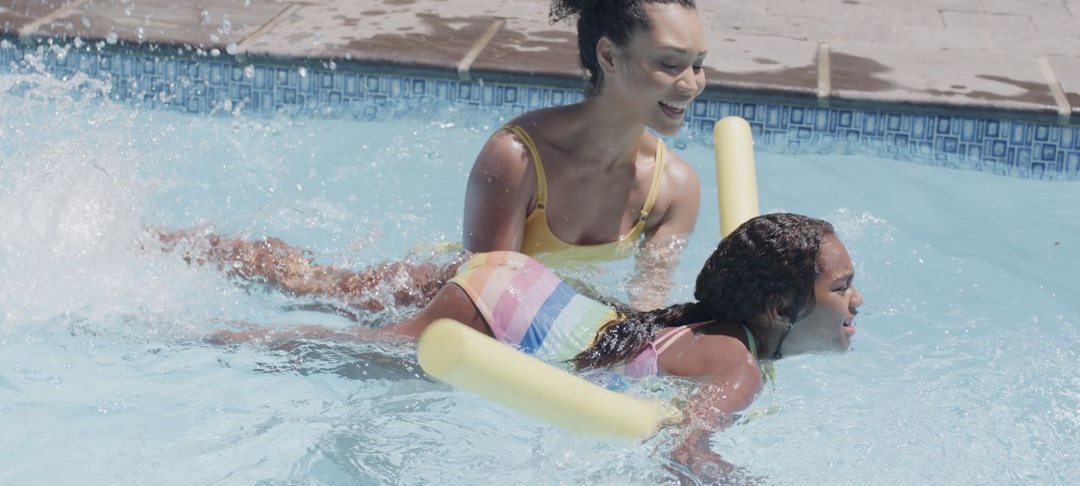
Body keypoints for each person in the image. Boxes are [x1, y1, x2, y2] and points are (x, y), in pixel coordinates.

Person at [164, 0, 707, 313]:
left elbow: (647, 308)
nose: (691, 85)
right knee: (311, 285)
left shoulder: (675, 190)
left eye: (699, 65)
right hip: (425, 296)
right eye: (670, 64)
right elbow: (486, 298)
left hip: (534, 317)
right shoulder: (519, 158)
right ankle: (183, 246)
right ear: (609, 57)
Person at [212, 213, 865, 479]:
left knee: (330, 289)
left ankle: (234, 254)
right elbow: (685, 447)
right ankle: (197, 340)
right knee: (338, 350)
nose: (857, 302)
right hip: (499, 314)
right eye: (844, 287)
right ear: (781, 309)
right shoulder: (739, 365)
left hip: (527, 287)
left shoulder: (713, 327)